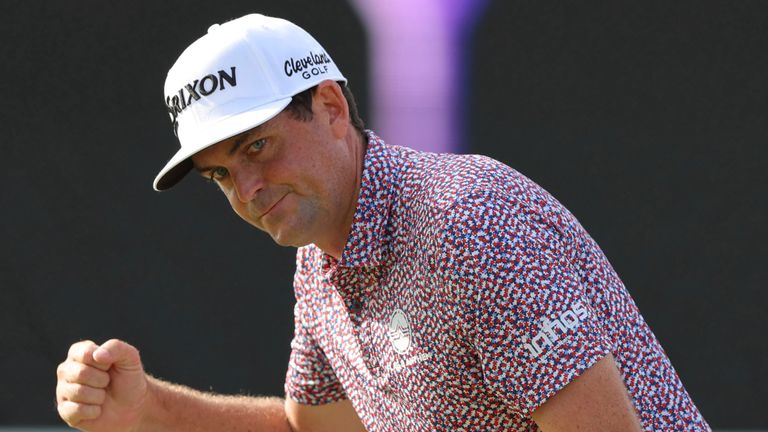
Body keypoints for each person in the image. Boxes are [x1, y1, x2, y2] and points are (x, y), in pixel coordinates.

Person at [55, 13, 710, 432]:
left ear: (331, 107)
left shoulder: (468, 225)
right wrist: (147, 410)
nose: (247, 190)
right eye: (221, 175)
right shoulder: (320, 260)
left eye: (257, 146)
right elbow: (318, 431)